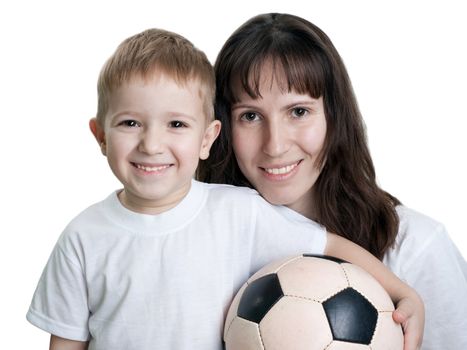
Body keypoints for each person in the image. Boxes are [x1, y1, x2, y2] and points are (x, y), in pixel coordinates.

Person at [26, 28, 422, 350]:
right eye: (130, 123)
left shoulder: (239, 213)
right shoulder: (82, 237)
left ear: (208, 138)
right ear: (100, 136)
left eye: (176, 125)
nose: (151, 144)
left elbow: (329, 246)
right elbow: (66, 341)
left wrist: (403, 293)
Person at [197, 12, 467, 350]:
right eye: (250, 116)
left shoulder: (415, 248)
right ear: (220, 129)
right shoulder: (201, 246)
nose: (275, 145)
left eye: (298, 111)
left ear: (334, 117)